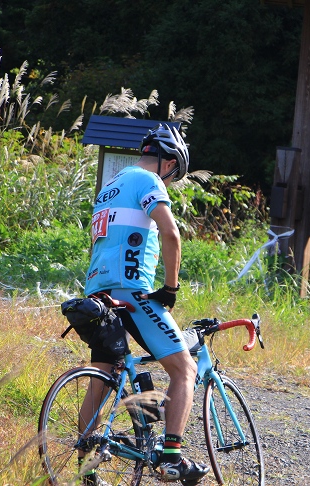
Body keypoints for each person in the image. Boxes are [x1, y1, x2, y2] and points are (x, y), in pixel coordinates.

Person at [80, 123, 209, 484]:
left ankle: (85, 458)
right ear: (168, 163)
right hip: (132, 292)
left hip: (97, 292)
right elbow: (170, 232)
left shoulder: (110, 186)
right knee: (184, 369)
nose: (169, 183)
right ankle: (172, 458)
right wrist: (169, 288)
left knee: (103, 377)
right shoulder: (149, 181)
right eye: (174, 176)